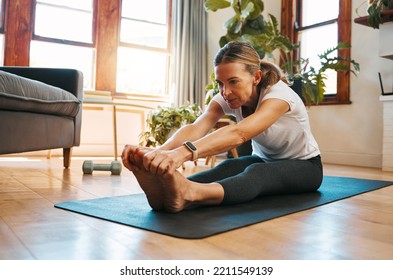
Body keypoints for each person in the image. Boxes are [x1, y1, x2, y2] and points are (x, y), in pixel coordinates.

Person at [122, 41, 323, 213]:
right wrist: (158, 153)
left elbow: (239, 133)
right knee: (228, 166)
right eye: (220, 83)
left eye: (234, 82)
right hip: (265, 159)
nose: (225, 92)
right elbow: (197, 127)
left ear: (256, 77)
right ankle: (167, 191)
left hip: (306, 167)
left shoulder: (279, 96)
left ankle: (190, 193)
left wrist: (180, 155)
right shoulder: (228, 96)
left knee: (257, 173)